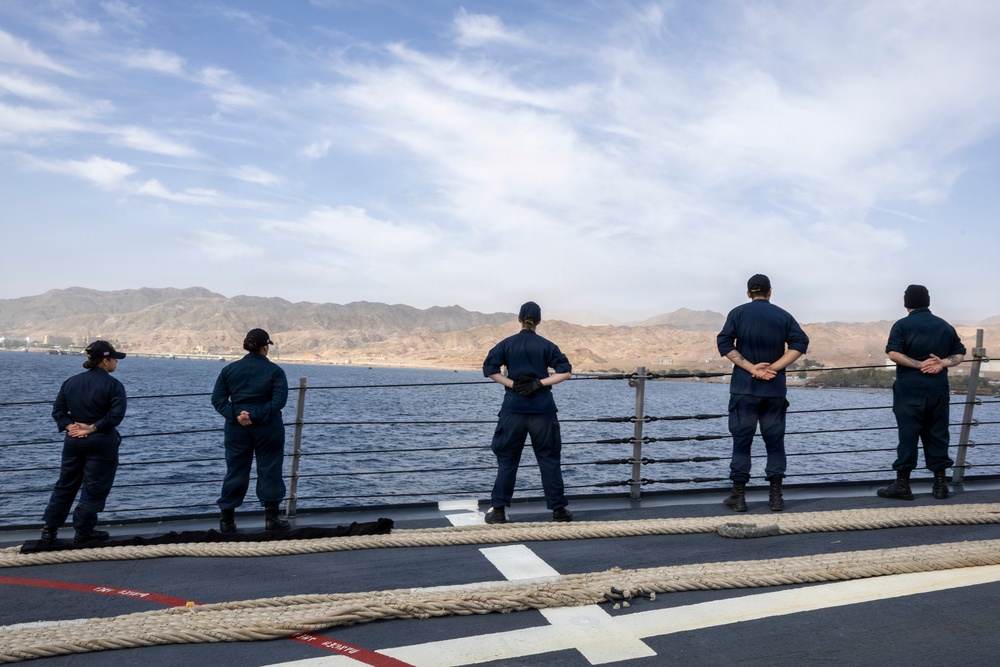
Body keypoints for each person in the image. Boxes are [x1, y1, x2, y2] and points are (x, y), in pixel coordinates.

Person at [717, 274, 809, 512]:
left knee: (741, 444)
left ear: (748, 293)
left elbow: (725, 344)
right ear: (770, 292)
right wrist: (773, 368)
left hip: (744, 391)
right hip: (774, 393)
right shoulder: (783, 315)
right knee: (775, 444)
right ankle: (776, 498)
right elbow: (800, 343)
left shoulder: (737, 313)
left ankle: (739, 498)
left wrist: (751, 368)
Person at [482, 301, 573, 524]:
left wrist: (513, 385)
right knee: (549, 459)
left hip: (513, 411)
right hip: (543, 411)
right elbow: (566, 372)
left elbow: (489, 370)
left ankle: (499, 511)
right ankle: (558, 510)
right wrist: (539, 383)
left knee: (507, 460)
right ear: (539, 321)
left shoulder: (506, 344)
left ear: (519, 319)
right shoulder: (547, 345)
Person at [878, 285, 966, 501]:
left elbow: (894, 354)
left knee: (908, 435)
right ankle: (940, 485)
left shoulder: (902, 325)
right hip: (938, 389)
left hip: (910, 390)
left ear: (906, 302)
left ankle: (903, 485)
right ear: (927, 301)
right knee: (938, 433)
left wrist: (919, 365)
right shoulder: (945, 326)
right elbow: (960, 354)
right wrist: (940, 364)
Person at [40, 340, 127, 544]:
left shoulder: (71, 382)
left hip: (73, 441)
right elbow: (115, 416)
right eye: (114, 359)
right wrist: (93, 427)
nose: (116, 362)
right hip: (101, 441)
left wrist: (70, 426)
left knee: (65, 484)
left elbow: (58, 411)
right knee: (95, 486)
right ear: (105, 361)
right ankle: (83, 531)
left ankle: (49, 529)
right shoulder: (114, 385)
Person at [212, 328, 291, 532]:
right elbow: (278, 402)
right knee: (270, 470)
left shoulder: (228, 370)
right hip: (268, 429)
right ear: (265, 346)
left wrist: (238, 414)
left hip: (236, 429)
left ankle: (226, 521)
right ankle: (271, 519)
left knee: (235, 471)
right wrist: (253, 415)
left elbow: (218, 400)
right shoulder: (275, 371)